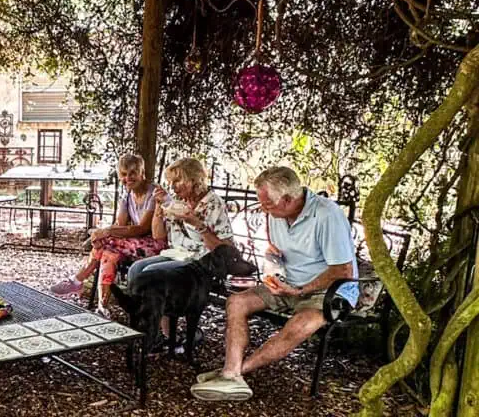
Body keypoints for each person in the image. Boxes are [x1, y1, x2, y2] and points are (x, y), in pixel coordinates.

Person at [190, 166, 358, 402]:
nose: (262, 208)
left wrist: (300, 290)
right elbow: (274, 248)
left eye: (267, 203)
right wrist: (273, 265)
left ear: (288, 199)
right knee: (237, 302)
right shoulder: (276, 214)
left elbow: (343, 270)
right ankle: (231, 373)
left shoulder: (327, 215)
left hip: (328, 291)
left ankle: (234, 373)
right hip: (287, 283)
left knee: (298, 326)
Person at [125, 157, 233, 344]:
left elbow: (226, 248)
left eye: (177, 181)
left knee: (152, 273)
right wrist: (159, 208)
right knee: (136, 269)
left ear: (194, 179)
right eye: (171, 182)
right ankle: (151, 328)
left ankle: (163, 334)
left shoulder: (213, 204)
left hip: (202, 261)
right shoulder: (177, 201)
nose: (173, 186)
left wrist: (197, 224)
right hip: (176, 254)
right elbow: (159, 236)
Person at [50, 154, 166, 317]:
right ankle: (102, 306)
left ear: (142, 173)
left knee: (105, 243)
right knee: (108, 253)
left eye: (133, 173)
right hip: (134, 243)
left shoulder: (153, 193)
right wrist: (106, 233)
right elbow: (121, 224)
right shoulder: (127, 195)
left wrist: (105, 233)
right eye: (124, 174)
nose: (128, 178)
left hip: (155, 245)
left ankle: (78, 280)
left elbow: (142, 228)